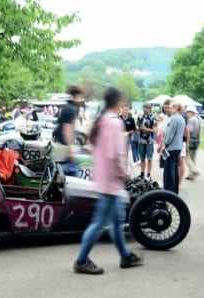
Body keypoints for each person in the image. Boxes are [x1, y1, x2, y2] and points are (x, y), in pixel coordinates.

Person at [73, 87, 142, 275]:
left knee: (115, 220)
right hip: (112, 181)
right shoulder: (114, 123)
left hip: (103, 178)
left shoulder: (102, 121)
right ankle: (81, 260)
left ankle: (126, 256)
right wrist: (123, 173)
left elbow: (94, 149)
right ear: (118, 103)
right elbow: (116, 154)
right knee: (100, 222)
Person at [53, 85, 83, 169]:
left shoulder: (65, 106)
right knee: (70, 170)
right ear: (77, 95)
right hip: (64, 146)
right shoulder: (71, 109)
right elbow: (67, 129)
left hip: (58, 142)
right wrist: (71, 149)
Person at [160, 101, 185, 194]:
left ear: (175, 108)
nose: (169, 109)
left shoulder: (174, 119)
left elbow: (170, 134)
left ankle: (169, 192)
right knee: (174, 170)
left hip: (171, 147)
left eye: (170, 107)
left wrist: (164, 145)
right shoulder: (182, 118)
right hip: (178, 147)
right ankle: (174, 191)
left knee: (169, 172)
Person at [137, 103, 157, 180]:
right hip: (141, 141)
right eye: (144, 108)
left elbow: (155, 130)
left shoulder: (153, 117)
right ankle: (142, 174)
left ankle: (148, 175)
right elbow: (138, 128)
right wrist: (139, 128)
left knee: (149, 158)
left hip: (149, 141)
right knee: (142, 158)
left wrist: (146, 129)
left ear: (149, 109)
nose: (145, 109)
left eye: (146, 108)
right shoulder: (140, 117)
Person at [185, 105, 201, 181]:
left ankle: (194, 171)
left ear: (191, 112)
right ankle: (191, 175)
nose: (187, 114)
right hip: (196, 140)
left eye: (187, 112)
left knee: (187, 157)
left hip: (191, 140)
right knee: (193, 157)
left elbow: (190, 130)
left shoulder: (191, 120)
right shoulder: (198, 119)